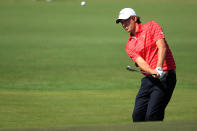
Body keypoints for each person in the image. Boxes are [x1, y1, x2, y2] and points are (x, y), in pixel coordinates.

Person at [116, 8, 177, 122]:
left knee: (152, 116)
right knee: (137, 116)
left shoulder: (152, 26)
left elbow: (162, 47)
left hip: (165, 76)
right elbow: (141, 62)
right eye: (121, 22)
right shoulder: (129, 45)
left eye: (126, 21)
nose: (123, 24)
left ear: (134, 18)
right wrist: (152, 71)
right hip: (149, 79)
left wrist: (158, 68)